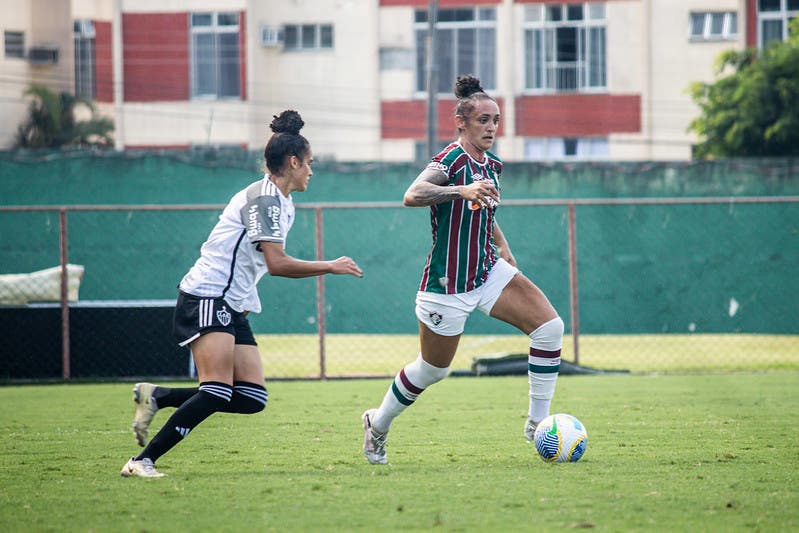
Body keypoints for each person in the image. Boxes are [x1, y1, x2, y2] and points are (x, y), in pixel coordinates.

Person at [121, 110, 363, 477]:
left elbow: (253, 263)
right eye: (309, 163)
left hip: (230, 303)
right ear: (293, 162)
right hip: (207, 295)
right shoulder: (265, 200)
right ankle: (141, 461)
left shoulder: (281, 200)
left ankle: (159, 396)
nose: (312, 170)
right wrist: (329, 265)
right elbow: (277, 263)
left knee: (251, 398)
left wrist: (244, 303)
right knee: (216, 390)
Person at [361, 75, 563, 464]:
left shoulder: (493, 165)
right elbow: (412, 195)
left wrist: (502, 244)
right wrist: (459, 190)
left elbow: (484, 209)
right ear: (461, 122)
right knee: (433, 370)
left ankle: (537, 425)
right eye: (483, 120)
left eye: (496, 120)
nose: (491, 127)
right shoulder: (450, 160)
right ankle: (378, 423)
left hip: (486, 271)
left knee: (550, 328)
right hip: (446, 283)